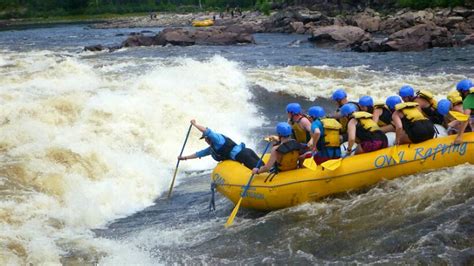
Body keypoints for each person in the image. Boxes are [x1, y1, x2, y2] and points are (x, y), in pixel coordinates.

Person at [178, 119, 260, 169]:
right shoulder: (212, 149)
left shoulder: (218, 140)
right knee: (260, 168)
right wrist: (184, 158)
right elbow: (199, 154)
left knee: (261, 170)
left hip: (244, 154)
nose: (205, 140)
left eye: (206, 138)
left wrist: (195, 124)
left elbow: (207, 131)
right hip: (244, 154)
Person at [454, 79, 474, 144]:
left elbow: (465, 119)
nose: (459, 94)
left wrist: (459, 137)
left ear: (464, 91)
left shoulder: (468, 99)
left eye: (460, 92)